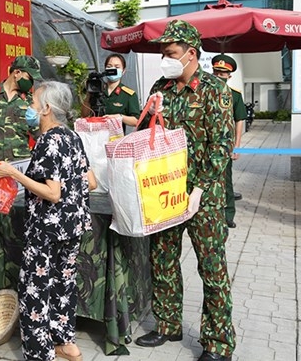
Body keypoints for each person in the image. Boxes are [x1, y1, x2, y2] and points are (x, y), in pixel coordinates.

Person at [134, 20, 235, 361]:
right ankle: (167, 324)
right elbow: (147, 131)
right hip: (165, 192)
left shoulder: (213, 90)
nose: (165, 58)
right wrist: (149, 115)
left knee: (211, 267)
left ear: (191, 53)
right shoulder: (160, 87)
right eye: (163, 52)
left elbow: (222, 144)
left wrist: (203, 187)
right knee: (162, 259)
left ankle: (218, 343)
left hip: (203, 197)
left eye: (170, 52)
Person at [0, 80, 95, 361]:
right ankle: (66, 343)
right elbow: (91, 181)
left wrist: (15, 174)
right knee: (63, 284)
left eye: (33, 103)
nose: (29, 108)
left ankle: (40, 353)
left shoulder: (49, 140)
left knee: (35, 288)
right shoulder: (72, 136)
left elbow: (53, 192)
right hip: (72, 226)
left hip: (47, 228)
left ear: (47, 108)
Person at [0, 55, 42, 296]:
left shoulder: (30, 103)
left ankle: (16, 282)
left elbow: (40, 133)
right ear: (17, 73)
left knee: (16, 227)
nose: (31, 83)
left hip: (19, 177)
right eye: (30, 77)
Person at [212, 54, 247, 229]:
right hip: (206, 146)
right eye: (216, 71)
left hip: (225, 146)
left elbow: (239, 119)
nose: (219, 75)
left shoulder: (234, 95)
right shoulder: (204, 93)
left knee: (226, 181)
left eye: (223, 73)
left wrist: (237, 145)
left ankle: (228, 214)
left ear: (229, 76)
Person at [81, 53, 140, 132]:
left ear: (123, 71)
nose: (113, 69)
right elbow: (84, 115)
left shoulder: (128, 94)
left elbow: (136, 121)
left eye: (117, 67)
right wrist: (89, 95)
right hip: (95, 137)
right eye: (109, 66)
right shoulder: (96, 89)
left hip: (115, 139)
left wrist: (119, 117)